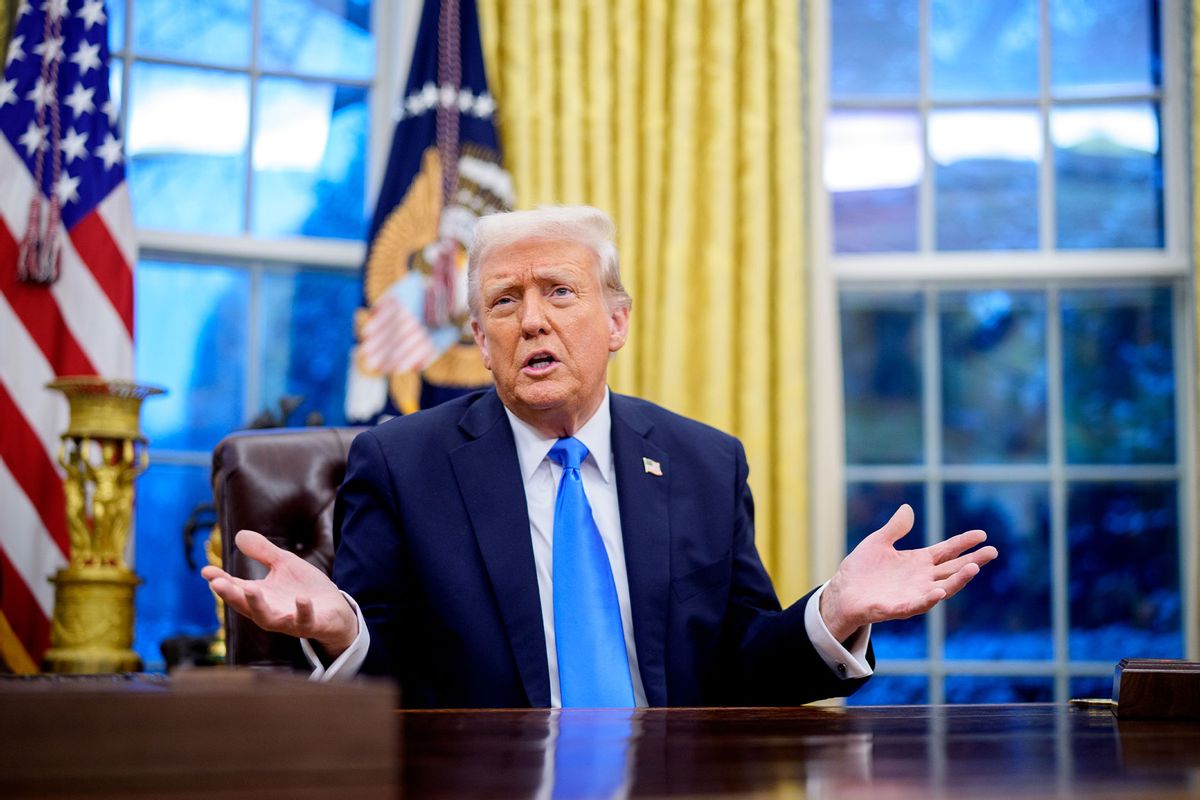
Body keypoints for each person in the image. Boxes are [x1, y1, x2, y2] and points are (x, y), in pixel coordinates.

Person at [203, 206, 997, 708]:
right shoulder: (403, 463)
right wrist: (341, 627)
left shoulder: (703, 464)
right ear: (479, 342)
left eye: (559, 291)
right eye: (504, 303)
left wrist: (834, 613)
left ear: (616, 322)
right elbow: (389, 672)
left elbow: (739, 669)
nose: (532, 321)